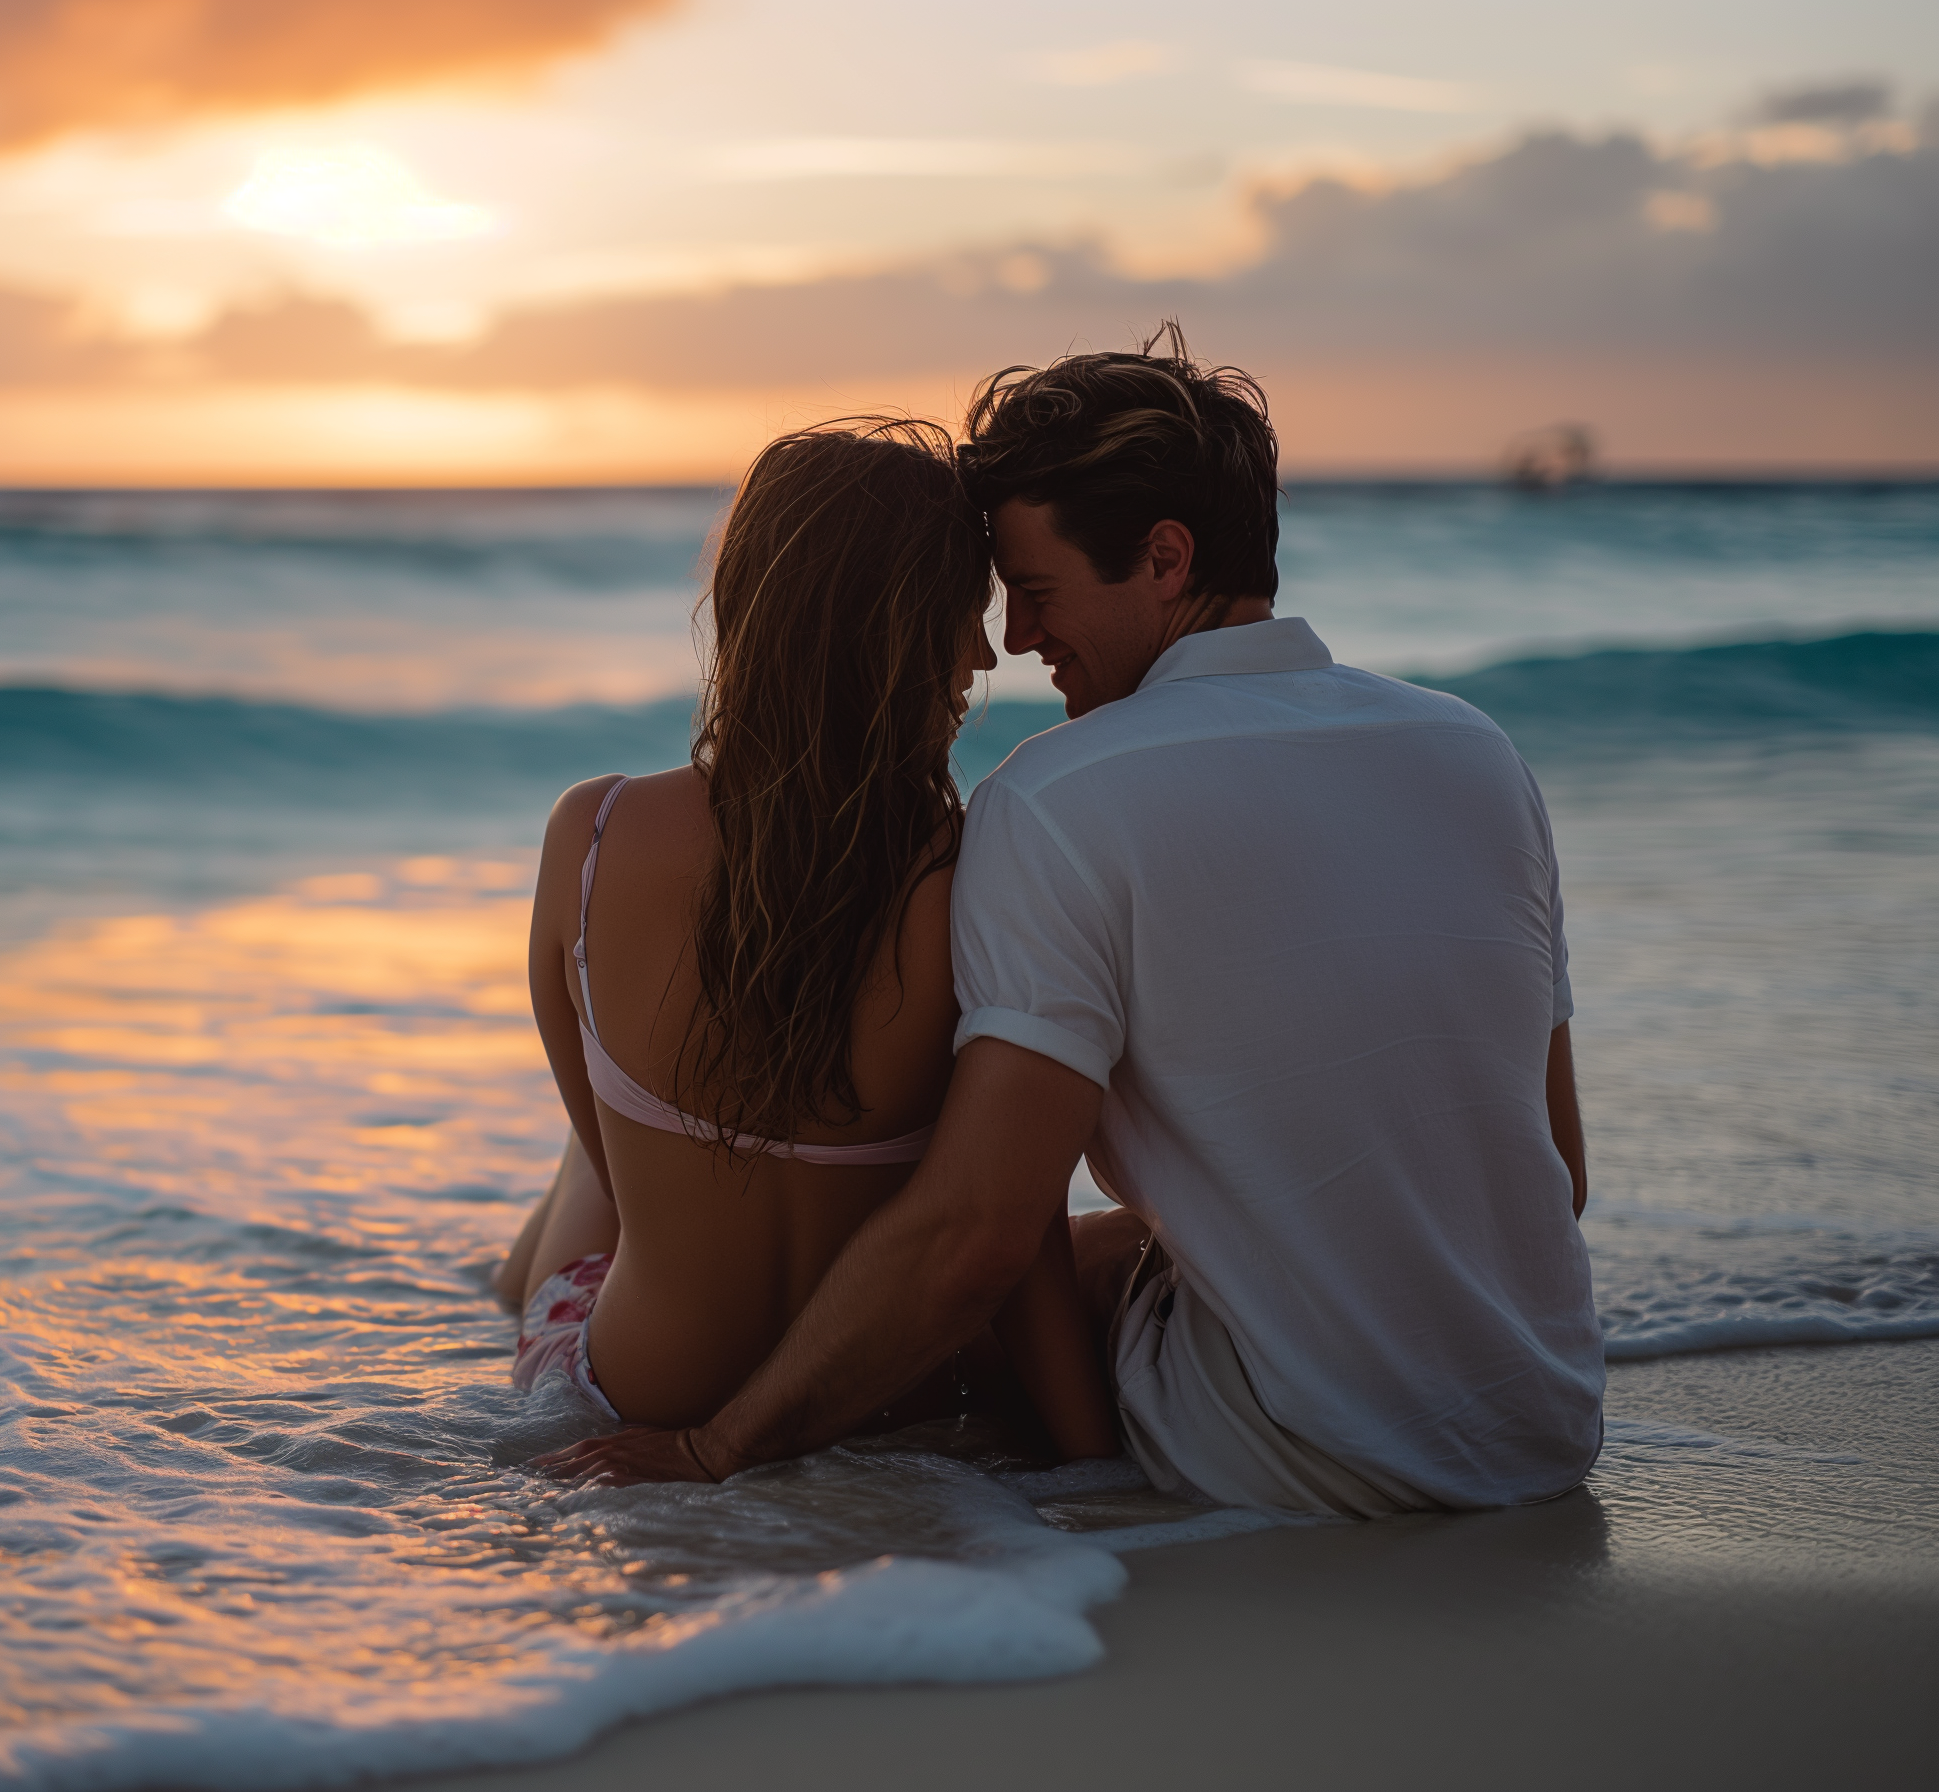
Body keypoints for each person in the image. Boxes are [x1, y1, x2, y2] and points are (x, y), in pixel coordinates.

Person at [540, 331, 1605, 1516]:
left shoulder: (1060, 797)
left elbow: (980, 1235)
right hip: (1545, 1422)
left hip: (1297, 1449)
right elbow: (1554, 1172)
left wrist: (716, 1449)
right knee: (1122, 1241)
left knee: (615, 1173)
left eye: (1036, 593)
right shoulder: (1477, 751)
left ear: (1164, 558)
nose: (1016, 642)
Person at [494, 418, 1119, 1461]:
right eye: (959, 618)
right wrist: (1097, 1469)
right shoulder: (976, 875)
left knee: (595, 1162)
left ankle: (505, 1282)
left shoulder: (590, 835)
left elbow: (612, 1155)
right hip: (896, 1404)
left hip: (626, 1396)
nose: (979, 654)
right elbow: (1022, 1243)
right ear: (888, 635)